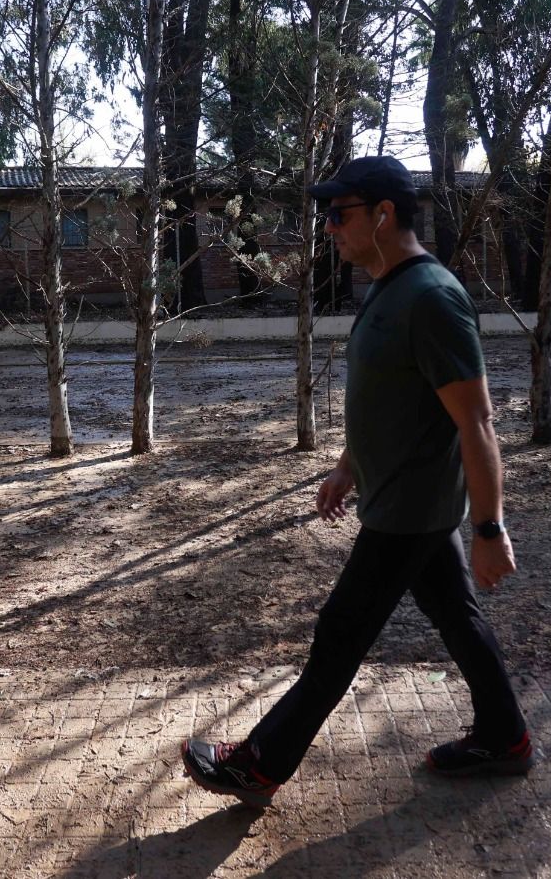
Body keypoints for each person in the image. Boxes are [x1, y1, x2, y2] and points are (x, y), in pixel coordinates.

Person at [181, 155, 531, 808]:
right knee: (456, 616)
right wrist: (349, 465)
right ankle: (504, 737)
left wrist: (490, 528)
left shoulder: (430, 299)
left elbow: (477, 422)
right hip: (402, 499)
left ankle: (260, 764)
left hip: (408, 512)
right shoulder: (388, 289)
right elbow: (393, 404)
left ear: (383, 215)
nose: (329, 229)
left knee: (340, 635)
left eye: (339, 215)